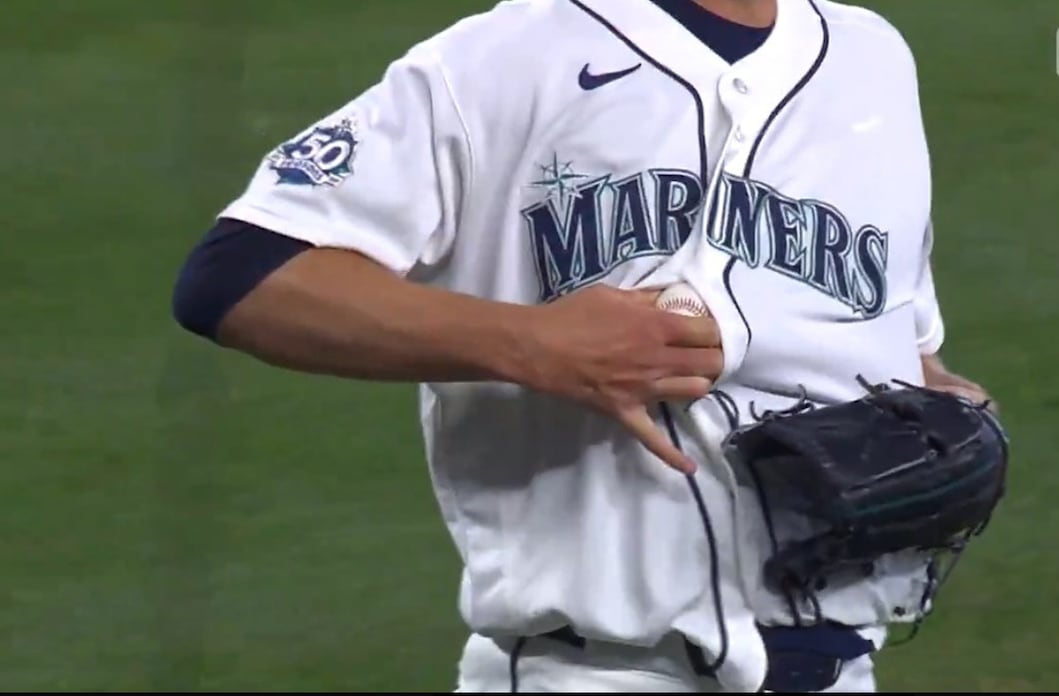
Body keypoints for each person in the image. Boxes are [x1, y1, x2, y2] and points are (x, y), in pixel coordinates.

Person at [171, 0, 993, 691]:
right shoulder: (506, 57)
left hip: (841, 669)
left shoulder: (873, 59)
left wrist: (944, 402)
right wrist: (531, 343)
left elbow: (895, 335)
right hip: (595, 673)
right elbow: (242, 276)